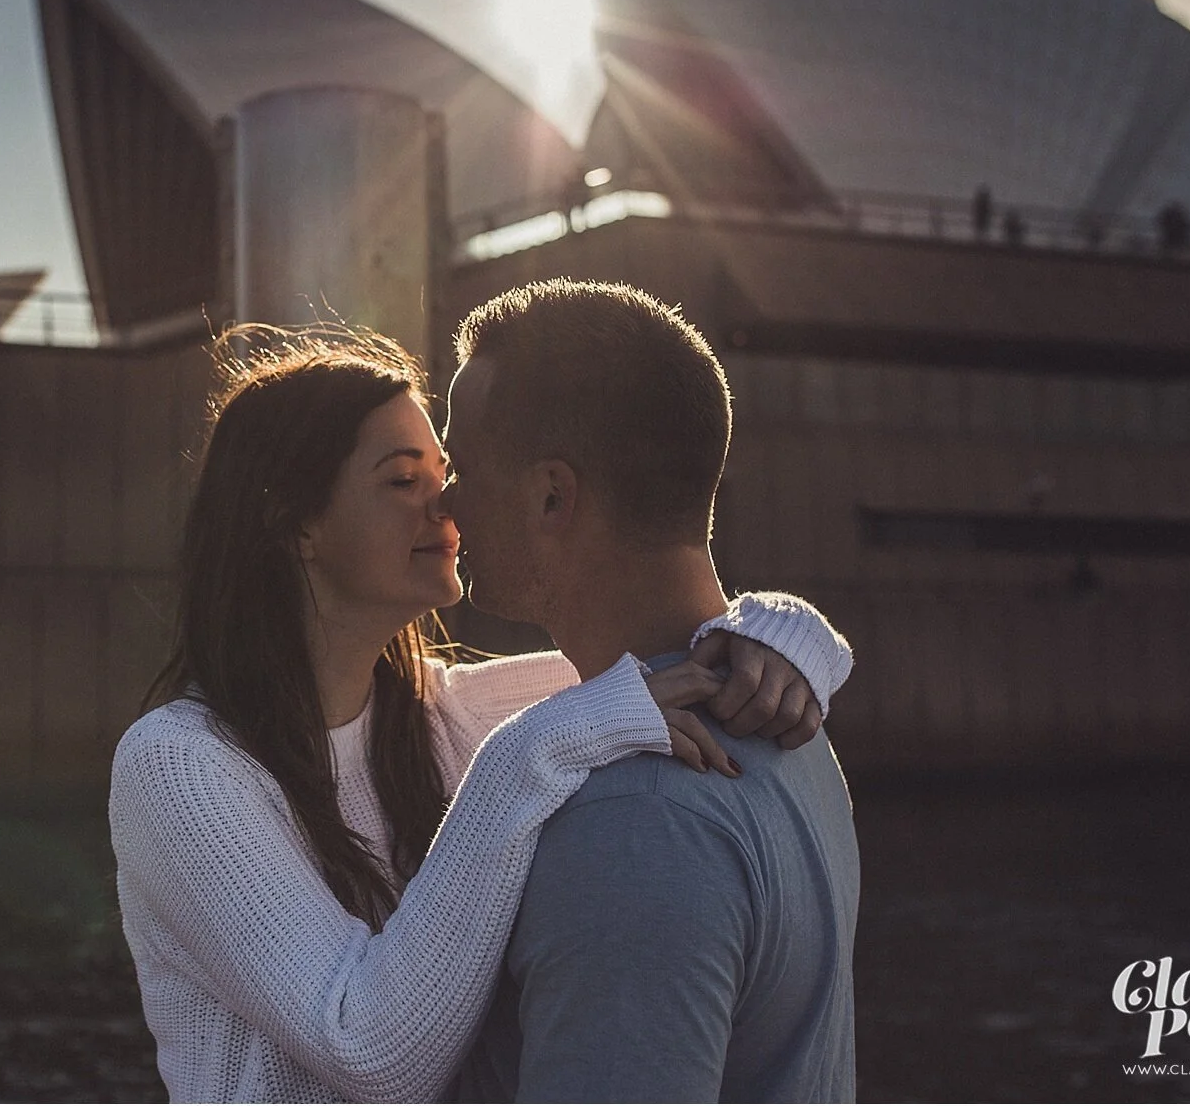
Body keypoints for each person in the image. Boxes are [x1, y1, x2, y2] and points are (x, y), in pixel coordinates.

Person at [109, 324, 854, 1102]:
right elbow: (364, 1047)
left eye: (448, 470)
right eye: (405, 480)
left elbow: (668, 667)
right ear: (295, 522)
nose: (448, 505)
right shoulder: (182, 765)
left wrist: (780, 634)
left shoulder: (449, 710)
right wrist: (517, 758)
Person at [445, 279, 858, 1102]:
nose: (444, 501)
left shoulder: (632, 819)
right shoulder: (789, 729)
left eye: (461, 465)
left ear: (551, 495)